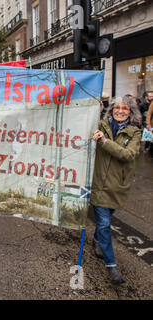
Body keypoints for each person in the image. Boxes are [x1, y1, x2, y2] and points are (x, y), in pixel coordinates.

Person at [90, 96, 142, 285]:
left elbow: (128, 154)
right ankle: (111, 265)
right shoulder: (100, 125)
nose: (120, 111)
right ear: (111, 110)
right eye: (117, 107)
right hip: (98, 183)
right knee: (104, 223)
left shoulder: (134, 132)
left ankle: (96, 240)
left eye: (125, 108)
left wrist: (104, 142)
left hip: (117, 186)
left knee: (106, 220)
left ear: (131, 112)